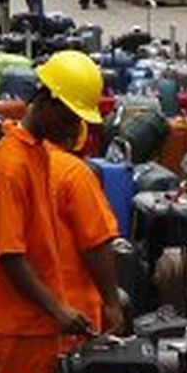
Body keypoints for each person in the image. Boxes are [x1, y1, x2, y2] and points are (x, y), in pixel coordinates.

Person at [0, 51, 105, 373]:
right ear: (47, 102)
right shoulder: (9, 167)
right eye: (71, 117)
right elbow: (9, 255)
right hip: (17, 325)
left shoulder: (37, 154)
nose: (75, 130)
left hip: (33, 322)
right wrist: (57, 309)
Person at [47, 142, 125, 336]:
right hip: (71, 315)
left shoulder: (5, 160)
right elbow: (97, 244)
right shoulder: (74, 172)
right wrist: (112, 304)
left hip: (13, 319)